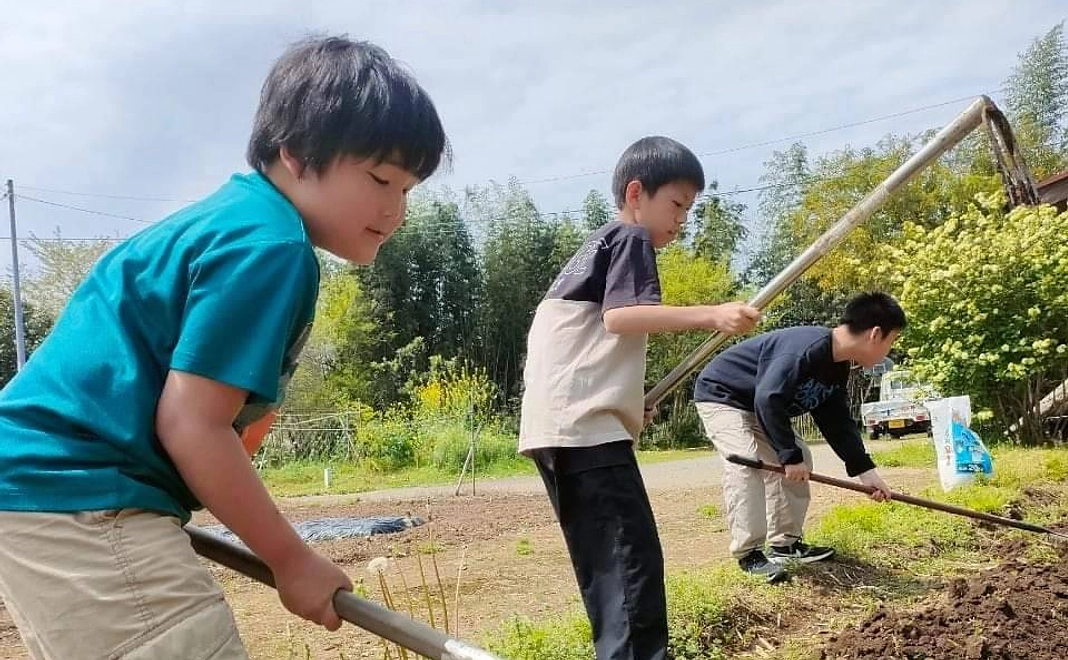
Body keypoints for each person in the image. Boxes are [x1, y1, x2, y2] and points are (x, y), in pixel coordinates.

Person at [0, 36, 449, 659]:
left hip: (47, 491)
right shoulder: (269, 247)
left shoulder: (231, 222)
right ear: (295, 153)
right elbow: (192, 424)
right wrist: (293, 560)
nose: (396, 208)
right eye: (379, 178)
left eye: (408, 188)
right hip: (82, 495)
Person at [519, 136, 762, 660]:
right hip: (586, 433)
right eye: (676, 205)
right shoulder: (630, 238)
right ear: (636, 193)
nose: (681, 221)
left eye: (688, 210)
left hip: (560, 429)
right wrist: (711, 313)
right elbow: (620, 318)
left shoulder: (593, 249)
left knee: (610, 576)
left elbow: (582, 344)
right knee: (632, 571)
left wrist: (629, 398)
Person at [693, 292, 902, 583]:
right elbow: (769, 398)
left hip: (759, 405)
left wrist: (866, 472)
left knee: (800, 455)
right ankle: (749, 554)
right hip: (724, 396)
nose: (890, 349)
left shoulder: (836, 366)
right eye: (893, 341)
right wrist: (786, 456)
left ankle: (785, 544)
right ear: (875, 334)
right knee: (747, 461)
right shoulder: (804, 348)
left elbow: (837, 422)